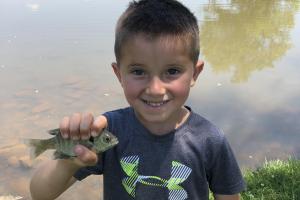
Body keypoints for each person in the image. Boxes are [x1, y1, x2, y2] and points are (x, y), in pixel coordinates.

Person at [30, 0, 245, 199]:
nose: (155, 89)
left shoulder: (210, 140)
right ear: (119, 74)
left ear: (195, 74)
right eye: (138, 71)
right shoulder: (108, 131)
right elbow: (40, 194)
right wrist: (69, 161)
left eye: (172, 70)